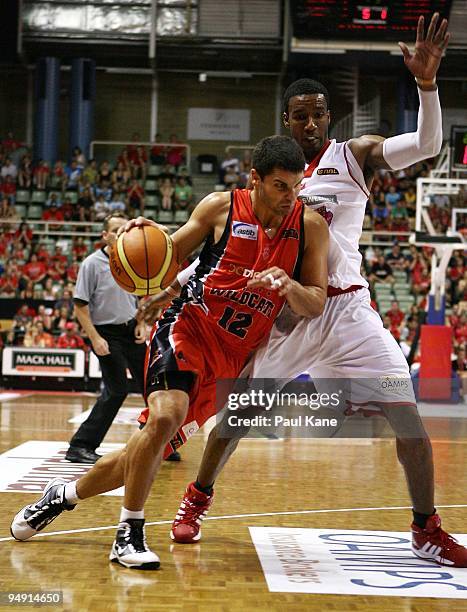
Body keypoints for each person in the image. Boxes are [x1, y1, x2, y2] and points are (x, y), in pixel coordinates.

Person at [155, 13, 467, 567]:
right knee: (239, 413)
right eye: (300, 116)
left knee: (408, 418)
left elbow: (427, 143)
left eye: (319, 114)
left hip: (347, 308)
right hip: (287, 310)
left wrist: (426, 84)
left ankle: (426, 528)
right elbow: (231, 250)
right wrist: (172, 282)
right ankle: (195, 501)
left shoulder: (353, 157)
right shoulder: (272, 179)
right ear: (286, 121)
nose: (311, 124)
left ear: (329, 116)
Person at [10, 135, 329, 571]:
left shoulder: (309, 226)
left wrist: (290, 286)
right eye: (279, 186)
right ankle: (130, 532)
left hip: (230, 361)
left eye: (295, 186)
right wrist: (143, 240)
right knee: (164, 417)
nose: (288, 197)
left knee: (144, 450)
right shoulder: (220, 208)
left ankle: (62, 495)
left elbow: (317, 300)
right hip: (186, 329)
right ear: (254, 179)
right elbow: (170, 253)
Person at [55, 212, 148, 464]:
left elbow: (138, 297)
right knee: (117, 390)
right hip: (106, 334)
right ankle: (80, 445)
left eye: (124, 229)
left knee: (154, 388)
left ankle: (160, 442)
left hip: (131, 331)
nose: (120, 234)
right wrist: (94, 337)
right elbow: (80, 306)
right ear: (105, 235)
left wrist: (141, 322)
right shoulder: (91, 264)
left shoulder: (134, 260)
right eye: (115, 230)